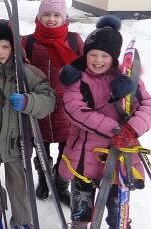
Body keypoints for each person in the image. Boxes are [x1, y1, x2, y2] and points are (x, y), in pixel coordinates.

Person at [58, 16, 151, 228]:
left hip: (120, 156)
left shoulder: (127, 79)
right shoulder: (77, 79)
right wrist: (116, 128)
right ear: (86, 54)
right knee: (81, 211)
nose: (98, 60)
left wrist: (131, 128)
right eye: (93, 54)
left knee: (118, 213)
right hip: (83, 155)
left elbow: (147, 106)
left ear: (114, 58)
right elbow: (76, 110)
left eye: (104, 55)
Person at [0, 20, 56, 229]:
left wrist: (28, 101)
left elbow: (48, 98)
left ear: (13, 47)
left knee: (18, 184)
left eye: (5, 46)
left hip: (17, 139)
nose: (0, 51)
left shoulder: (26, 72)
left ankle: (22, 219)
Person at [21, 0, 83, 204]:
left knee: (68, 149)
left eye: (57, 15)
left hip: (67, 107)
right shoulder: (28, 41)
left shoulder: (74, 40)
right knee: (41, 147)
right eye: (46, 14)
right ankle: (44, 178)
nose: (51, 19)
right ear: (39, 15)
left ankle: (61, 182)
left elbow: (86, 72)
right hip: (39, 105)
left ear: (64, 17)